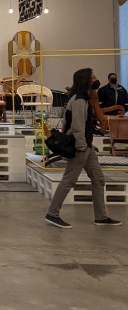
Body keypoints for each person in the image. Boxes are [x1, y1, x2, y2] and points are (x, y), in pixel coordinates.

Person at [45, 68, 122, 229]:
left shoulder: (84, 99)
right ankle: (52, 213)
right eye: (92, 77)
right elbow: (77, 127)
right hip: (80, 147)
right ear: (85, 81)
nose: (96, 79)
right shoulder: (79, 101)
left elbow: (84, 124)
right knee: (69, 180)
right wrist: (81, 147)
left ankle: (101, 217)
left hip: (87, 146)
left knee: (98, 179)